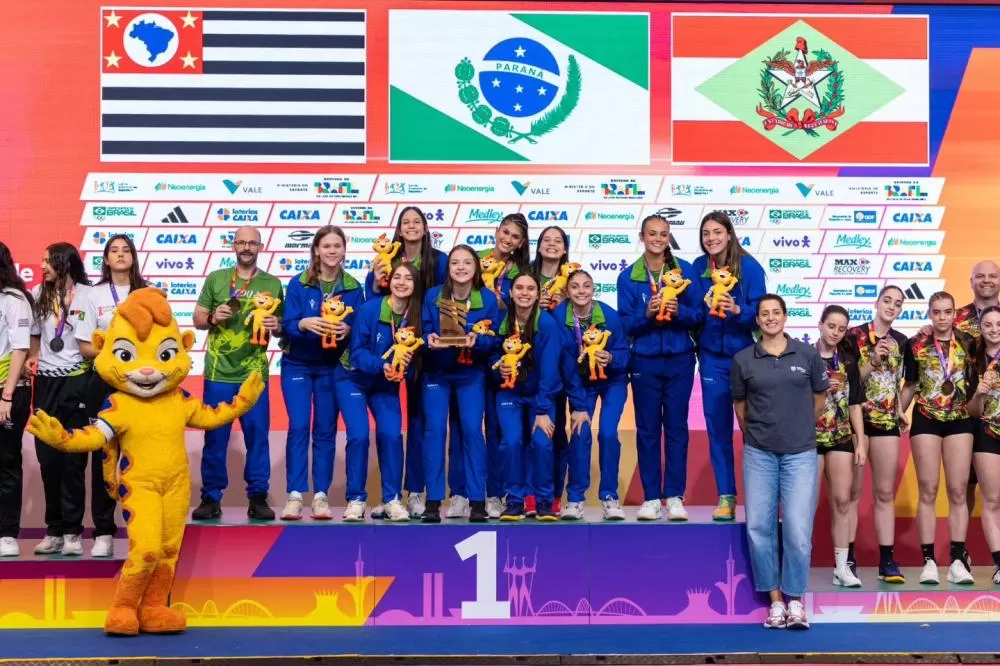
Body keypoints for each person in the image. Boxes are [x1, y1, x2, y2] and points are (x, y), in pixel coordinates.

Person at [731, 294, 828, 630]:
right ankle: (775, 603)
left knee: (799, 530)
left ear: (785, 317)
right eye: (764, 314)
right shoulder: (744, 359)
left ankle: (796, 600)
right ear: (757, 320)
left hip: (800, 453)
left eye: (776, 313)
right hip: (759, 454)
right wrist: (760, 433)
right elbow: (740, 407)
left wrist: (797, 427)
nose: (770, 318)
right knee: (760, 528)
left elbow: (819, 399)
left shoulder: (808, 354)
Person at [192, 226, 283, 521]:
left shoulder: (272, 283)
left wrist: (276, 325)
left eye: (252, 243)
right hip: (219, 372)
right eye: (242, 242)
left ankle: (258, 496)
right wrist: (212, 317)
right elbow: (197, 319)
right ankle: (211, 497)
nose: (246, 247)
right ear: (233, 246)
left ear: (261, 246)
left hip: (254, 374)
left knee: (257, 437)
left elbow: (282, 326)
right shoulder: (217, 278)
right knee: (215, 437)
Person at [616, 214, 700, 521]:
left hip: (679, 358)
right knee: (648, 430)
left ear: (669, 237)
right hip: (645, 361)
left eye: (663, 234)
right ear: (642, 236)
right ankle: (651, 497)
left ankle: (675, 496)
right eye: (652, 233)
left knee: (677, 429)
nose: (657, 239)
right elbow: (625, 324)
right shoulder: (628, 277)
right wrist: (646, 313)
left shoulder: (684, 271)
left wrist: (679, 312)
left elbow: (699, 315)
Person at [365, 206, 447, 519]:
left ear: (426, 229)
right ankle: (391, 496)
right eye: (405, 222)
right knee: (389, 425)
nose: (411, 227)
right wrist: (376, 280)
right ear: (398, 229)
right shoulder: (386, 259)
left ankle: (415, 492)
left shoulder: (438, 261)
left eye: (417, 222)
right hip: (388, 351)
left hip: (424, 348)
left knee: (419, 423)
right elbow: (371, 299)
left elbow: (445, 297)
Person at [279, 225, 364, 521]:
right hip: (298, 365)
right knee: (299, 426)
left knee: (325, 432)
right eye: (326, 246)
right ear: (316, 249)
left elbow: (361, 330)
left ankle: (320, 496)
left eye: (337, 246)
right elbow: (286, 325)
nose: (331, 251)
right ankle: (294, 495)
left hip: (332, 368)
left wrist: (349, 329)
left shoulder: (353, 287)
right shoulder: (298, 283)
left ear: (344, 250)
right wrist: (303, 324)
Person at [493, 273, 589, 521]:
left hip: (540, 395)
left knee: (543, 442)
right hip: (510, 393)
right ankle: (514, 501)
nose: (524, 293)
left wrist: (543, 411)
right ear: (511, 293)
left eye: (530, 289)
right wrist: (498, 366)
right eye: (519, 288)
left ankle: (545, 500)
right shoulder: (502, 322)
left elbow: (550, 373)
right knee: (512, 442)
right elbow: (490, 358)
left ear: (538, 294)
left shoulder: (547, 325)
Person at [75, 234, 148, 557]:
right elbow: (85, 346)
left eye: (125, 250)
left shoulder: (147, 294)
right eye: (113, 251)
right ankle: (103, 531)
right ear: (105, 260)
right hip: (103, 384)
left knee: (142, 458)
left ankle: (142, 528)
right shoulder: (91, 295)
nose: (120, 255)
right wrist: (113, 355)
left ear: (133, 257)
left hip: (142, 386)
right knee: (103, 455)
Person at [693, 210, 767, 521]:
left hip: (745, 358)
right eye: (706, 233)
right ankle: (726, 496)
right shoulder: (698, 268)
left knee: (755, 429)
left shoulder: (748, 267)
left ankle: (761, 496)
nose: (711, 238)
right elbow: (693, 310)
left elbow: (763, 313)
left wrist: (738, 308)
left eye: (717, 232)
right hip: (711, 359)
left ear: (729, 233)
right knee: (718, 429)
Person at [900, 291, 976, 585]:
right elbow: (911, 383)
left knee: (958, 492)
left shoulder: (969, 343)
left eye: (947, 312)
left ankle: (957, 560)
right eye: (936, 312)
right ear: (929, 313)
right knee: (928, 490)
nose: (942, 317)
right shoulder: (916, 344)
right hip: (926, 419)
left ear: (955, 313)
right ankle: (929, 561)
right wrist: (899, 411)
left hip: (960, 419)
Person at [421, 245, 500, 523]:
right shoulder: (433, 296)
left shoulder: (487, 299)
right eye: (455, 262)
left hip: (470, 374)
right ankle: (432, 501)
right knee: (434, 432)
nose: (461, 267)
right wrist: (429, 340)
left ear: (476, 267)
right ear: (448, 268)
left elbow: (496, 341)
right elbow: (425, 330)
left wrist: (478, 342)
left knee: (471, 432)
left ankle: (477, 501)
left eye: (467, 262)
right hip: (437, 373)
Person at [340, 263, 422, 522]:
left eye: (408, 278)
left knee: (391, 436)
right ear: (389, 281)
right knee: (359, 435)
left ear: (415, 285)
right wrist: (382, 365)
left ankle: (392, 499)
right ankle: (355, 499)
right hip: (352, 378)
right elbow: (357, 353)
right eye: (397, 276)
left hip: (385, 384)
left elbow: (418, 357)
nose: (401, 282)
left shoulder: (417, 316)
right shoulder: (370, 309)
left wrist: (404, 369)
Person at [29, 242, 93, 556]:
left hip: (77, 382)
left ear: (64, 262)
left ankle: (72, 533)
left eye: (47, 261)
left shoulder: (88, 295)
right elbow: (34, 337)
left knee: (73, 464)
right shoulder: (39, 296)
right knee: (48, 462)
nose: (42, 266)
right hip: (45, 385)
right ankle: (53, 530)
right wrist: (32, 356)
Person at [552, 270, 629, 521]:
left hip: (612, 381)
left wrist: (613, 358)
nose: (581, 291)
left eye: (586, 286)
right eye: (575, 287)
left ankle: (609, 497)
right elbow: (564, 364)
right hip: (580, 384)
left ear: (593, 289)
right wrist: (576, 403)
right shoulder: (558, 317)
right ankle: (575, 499)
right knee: (580, 432)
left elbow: (626, 354)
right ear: (567, 291)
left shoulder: (609, 315)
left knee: (607, 432)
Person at [848, 286, 909, 583]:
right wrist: (872, 360)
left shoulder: (902, 341)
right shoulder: (853, 336)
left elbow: (898, 382)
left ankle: (887, 561)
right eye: (887, 301)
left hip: (885, 423)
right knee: (852, 494)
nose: (892, 307)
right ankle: (845, 560)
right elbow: (849, 382)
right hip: (855, 422)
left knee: (884, 493)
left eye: (897, 304)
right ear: (876, 302)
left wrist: (899, 408)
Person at [475, 213, 531, 518]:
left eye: (514, 237)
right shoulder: (474, 262)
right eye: (504, 232)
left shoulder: (521, 273)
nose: (507, 240)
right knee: (469, 428)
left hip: (506, 355)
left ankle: (499, 494)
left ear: (521, 243)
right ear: (496, 231)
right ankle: (468, 493)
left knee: (500, 430)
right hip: (473, 354)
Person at [814, 305, 866, 588]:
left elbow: (855, 404)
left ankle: (842, 567)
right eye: (831, 326)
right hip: (809, 439)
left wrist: (860, 441)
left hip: (842, 438)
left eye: (841, 328)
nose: (835, 332)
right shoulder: (804, 356)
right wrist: (822, 391)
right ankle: (796, 566)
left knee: (843, 501)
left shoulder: (849, 361)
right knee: (805, 506)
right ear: (820, 325)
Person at [533, 225, 571, 515]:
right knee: (525, 433)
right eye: (547, 240)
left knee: (555, 431)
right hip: (525, 363)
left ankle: (554, 495)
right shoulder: (524, 274)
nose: (552, 245)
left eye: (558, 241)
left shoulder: (572, 279)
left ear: (565, 247)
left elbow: (581, 312)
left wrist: (558, 307)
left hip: (560, 365)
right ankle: (526, 495)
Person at [0, 243, 33, 557]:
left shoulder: (14, 299)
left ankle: (7, 533)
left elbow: (20, 348)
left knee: (7, 462)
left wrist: (7, 395)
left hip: (7, 390)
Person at [967, 306, 1000, 585]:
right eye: (988, 325)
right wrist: (980, 392)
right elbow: (973, 412)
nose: (994, 329)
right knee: (992, 500)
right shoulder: (973, 361)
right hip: (986, 433)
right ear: (981, 328)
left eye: (999, 324)